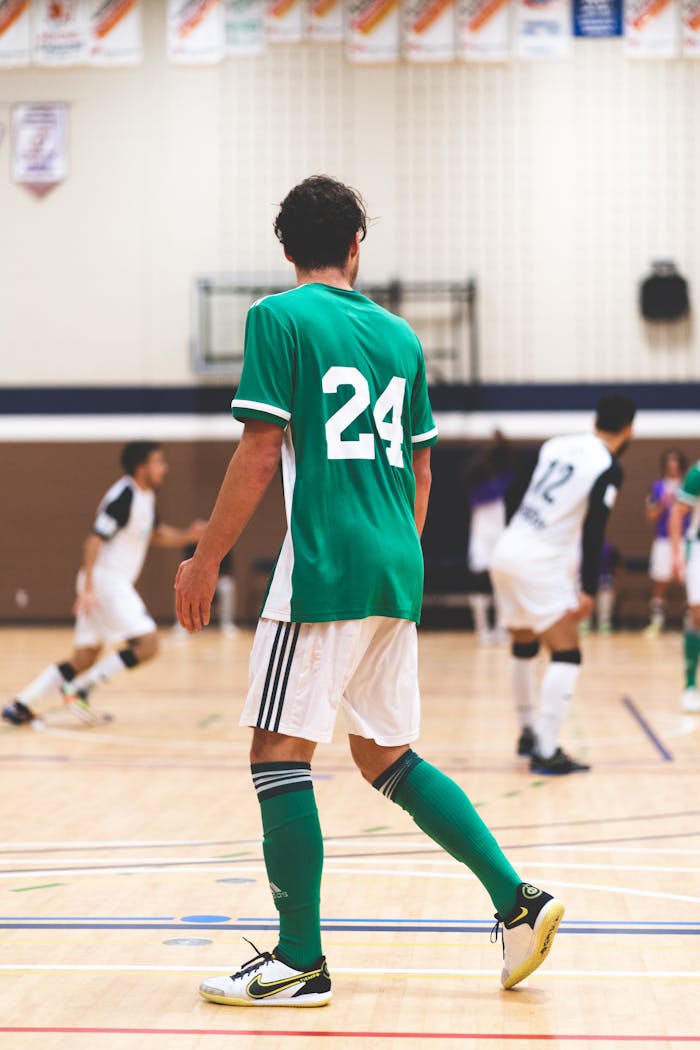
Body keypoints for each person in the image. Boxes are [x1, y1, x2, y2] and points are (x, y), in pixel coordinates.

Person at [175, 175, 564, 1009]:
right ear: (358, 246)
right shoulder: (400, 339)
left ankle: (300, 960)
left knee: (277, 754)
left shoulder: (277, 318)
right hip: (398, 563)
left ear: (286, 250)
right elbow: (423, 468)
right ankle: (517, 902)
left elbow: (256, 451)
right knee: (383, 753)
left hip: (324, 565)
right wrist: (396, 556)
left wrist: (205, 560)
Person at [3, 441, 205, 726]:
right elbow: (94, 540)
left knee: (84, 657)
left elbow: (155, 534)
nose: (165, 468)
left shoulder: (145, 497)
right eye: (159, 462)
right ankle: (80, 688)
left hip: (105, 583)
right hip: (106, 581)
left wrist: (188, 536)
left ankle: (20, 705)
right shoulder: (124, 496)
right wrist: (87, 590)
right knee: (148, 644)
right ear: (142, 468)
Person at [490, 394, 636, 775]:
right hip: (539, 562)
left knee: (524, 644)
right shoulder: (608, 465)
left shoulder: (556, 444)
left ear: (595, 420)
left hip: (507, 549)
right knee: (567, 652)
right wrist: (589, 586)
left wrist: (517, 535)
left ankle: (527, 734)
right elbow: (594, 529)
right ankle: (547, 749)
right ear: (629, 428)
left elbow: (511, 493)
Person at [465, 431, 514, 643]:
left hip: (502, 536)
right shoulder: (476, 477)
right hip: (481, 536)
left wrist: (500, 443)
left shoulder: (508, 478)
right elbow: (470, 469)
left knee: (502, 583)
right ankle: (482, 629)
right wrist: (487, 453)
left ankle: (502, 628)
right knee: (480, 581)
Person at [645, 449, 688, 635]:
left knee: (690, 580)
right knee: (660, 581)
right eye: (669, 462)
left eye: (676, 462)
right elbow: (650, 516)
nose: (673, 466)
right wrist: (663, 503)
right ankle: (656, 622)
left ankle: (692, 622)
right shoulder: (657, 487)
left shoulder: (689, 485)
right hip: (663, 540)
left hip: (686, 539)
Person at [669, 457, 700, 712]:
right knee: (698, 614)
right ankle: (690, 685)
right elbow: (677, 513)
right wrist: (677, 553)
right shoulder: (697, 472)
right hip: (698, 547)